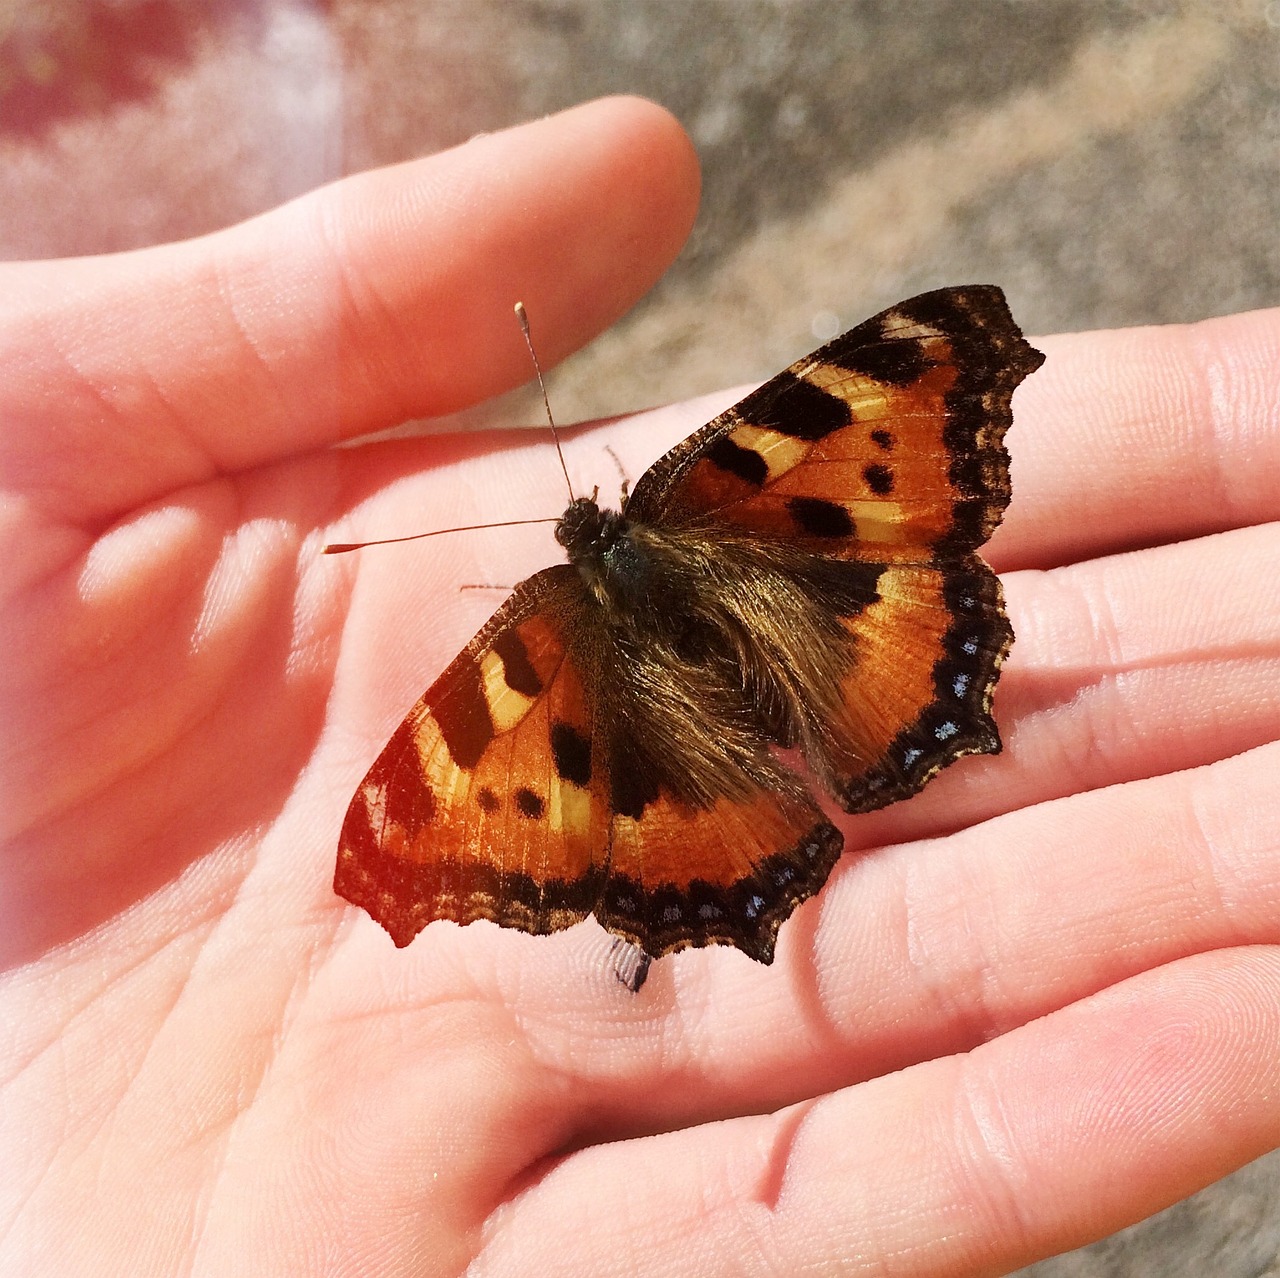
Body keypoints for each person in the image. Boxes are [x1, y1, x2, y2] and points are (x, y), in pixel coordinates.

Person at [2, 95, 1277, 1276]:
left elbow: (924, 367)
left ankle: (850, 759)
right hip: (828, 633)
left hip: (744, 717)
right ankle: (893, 724)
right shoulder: (711, 490)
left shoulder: (518, 657)